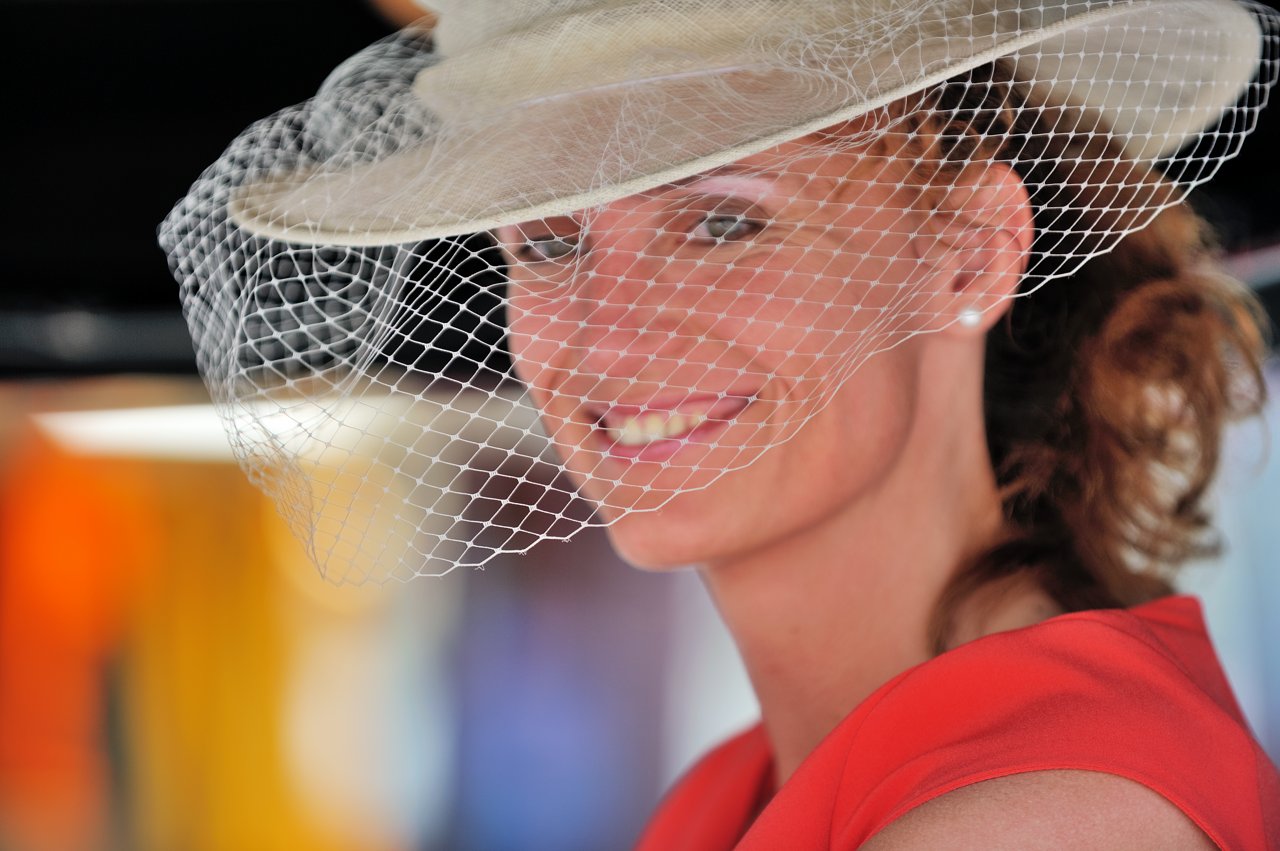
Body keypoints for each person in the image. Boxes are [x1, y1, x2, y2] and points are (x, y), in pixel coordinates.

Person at [161, 0, 1280, 847]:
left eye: (723, 222)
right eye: (548, 241)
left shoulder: (1042, 816)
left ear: (966, 254)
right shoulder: (735, 791)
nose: (608, 339)